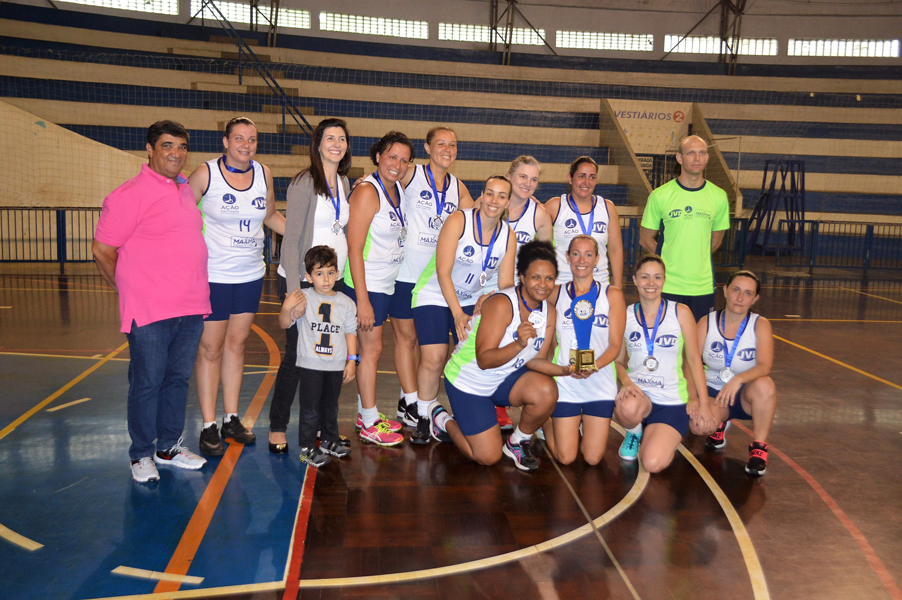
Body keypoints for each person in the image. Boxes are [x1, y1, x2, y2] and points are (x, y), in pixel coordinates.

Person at [92, 120, 210, 483]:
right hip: (150, 312)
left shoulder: (184, 191)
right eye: (167, 146)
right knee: (147, 382)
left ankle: (169, 447)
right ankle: (141, 453)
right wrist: (129, 289)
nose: (176, 153)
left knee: (176, 380)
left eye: (181, 147)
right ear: (149, 149)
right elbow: (102, 249)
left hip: (190, 307)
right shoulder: (128, 194)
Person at [188, 116, 285, 456]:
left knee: (237, 344)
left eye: (252, 139)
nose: (246, 145)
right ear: (226, 142)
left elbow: (271, 216)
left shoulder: (264, 174)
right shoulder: (205, 174)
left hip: (250, 275)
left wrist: (306, 237)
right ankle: (208, 425)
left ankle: (231, 418)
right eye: (239, 138)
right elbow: (179, 215)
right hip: (213, 275)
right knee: (210, 349)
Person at [441, 240, 568, 471]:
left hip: (502, 379)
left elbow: (535, 361)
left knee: (547, 390)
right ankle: (442, 419)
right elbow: (484, 360)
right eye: (535, 277)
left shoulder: (549, 312)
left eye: (549, 278)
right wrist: (519, 343)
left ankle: (517, 442)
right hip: (469, 381)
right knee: (487, 457)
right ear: (522, 277)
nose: (543, 284)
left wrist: (567, 371)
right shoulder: (501, 304)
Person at [409, 175, 516, 444]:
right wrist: (457, 313)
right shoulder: (459, 220)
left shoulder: (508, 235)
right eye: (490, 193)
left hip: (471, 299)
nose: (494, 200)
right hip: (434, 293)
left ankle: (472, 411)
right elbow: (443, 271)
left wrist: (489, 299)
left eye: (501, 196)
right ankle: (424, 415)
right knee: (434, 357)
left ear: (507, 202)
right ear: (482, 195)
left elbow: (505, 283)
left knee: (476, 357)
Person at [268, 118, 352, 454]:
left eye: (342, 138)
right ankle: (277, 425)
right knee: (297, 358)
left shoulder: (344, 181)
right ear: (318, 144)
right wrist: (294, 290)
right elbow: (290, 241)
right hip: (304, 282)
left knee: (326, 358)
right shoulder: (305, 182)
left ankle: (322, 429)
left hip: (335, 283)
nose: (336, 143)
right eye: (329, 138)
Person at [392, 126, 475, 428]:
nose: (447, 149)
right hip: (406, 272)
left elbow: (478, 216)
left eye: (452, 144)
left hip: (438, 280)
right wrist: (366, 181)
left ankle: (409, 398)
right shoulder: (410, 173)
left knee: (427, 344)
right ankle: (410, 398)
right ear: (427, 147)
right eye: (440, 143)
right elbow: (384, 179)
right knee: (407, 338)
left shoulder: (458, 187)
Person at [344, 131, 414, 447]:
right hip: (366, 285)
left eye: (403, 159)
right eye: (391, 157)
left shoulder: (397, 187)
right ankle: (370, 422)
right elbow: (354, 249)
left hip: (385, 284)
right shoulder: (367, 193)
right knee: (370, 351)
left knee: (374, 350)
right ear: (377, 157)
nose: (397, 164)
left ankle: (364, 412)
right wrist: (362, 300)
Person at [614, 256, 715, 473]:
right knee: (627, 406)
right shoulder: (626, 315)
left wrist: (703, 402)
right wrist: (626, 382)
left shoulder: (681, 312)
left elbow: (694, 359)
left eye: (657, 277)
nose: (651, 283)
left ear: (664, 280)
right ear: (634, 279)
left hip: (671, 400)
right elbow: (618, 362)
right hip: (639, 395)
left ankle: (660, 437)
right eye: (645, 277)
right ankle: (634, 432)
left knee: (652, 463)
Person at [542, 235, 626, 466]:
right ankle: (544, 421)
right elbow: (524, 295)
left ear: (597, 259)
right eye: (576, 253)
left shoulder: (612, 295)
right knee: (566, 458)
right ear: (567, 258)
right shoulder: (555, 293)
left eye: (588, 254)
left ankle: (572, 424)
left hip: (599, 383)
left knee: (592, 458)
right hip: (566, 382)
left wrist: (592, 367)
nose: (582, 260)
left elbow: (615, 345)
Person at [482, 155, 552, 430]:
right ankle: (473, 398)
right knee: (479, 349)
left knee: (509, 348)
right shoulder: (488, 203)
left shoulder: (540, 215)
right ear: (510, 176)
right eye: (523, 177)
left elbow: (544, 261)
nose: (528, 183)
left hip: (515, 294)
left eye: (534, 179)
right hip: (481, 288)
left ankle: (499, 405)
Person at [278, 246, 357, 467]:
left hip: (335, 364)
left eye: (330, 273)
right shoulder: (303, 298)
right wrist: (287, 308)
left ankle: (329, 440)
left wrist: (352, 360)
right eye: (319, 273)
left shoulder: (346, 302)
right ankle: (306, 447)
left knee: (331, 406)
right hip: (310, 364)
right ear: (308, 276)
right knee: (310, 408)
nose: (325, 279)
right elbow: (285, 323)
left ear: (338, 274)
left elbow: (351, 332)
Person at [639, 135, 731, 322]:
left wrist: (695, 258)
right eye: (691, 153)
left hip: (703, 287)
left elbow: (716, 240)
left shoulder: (719, 197)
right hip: (667, 285)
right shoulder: (660, 196)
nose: (697, 158)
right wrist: (669, 260)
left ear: (707, 158)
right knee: (666, 345)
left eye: (702, 153)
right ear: (680, 158)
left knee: (698, 345)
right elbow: (645, 238)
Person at [698, 270, 776, 476]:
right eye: (736, 290)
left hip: (742, 395)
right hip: (713, 392)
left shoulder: (760, 325)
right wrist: (695, 397)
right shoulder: (706, 323)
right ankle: (719, 423)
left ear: (755, 298)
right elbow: (691, 363)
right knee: (698, 425)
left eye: (748, 293)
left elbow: (764, 365)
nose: (740, 298)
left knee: (765, 385)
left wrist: (737, 380)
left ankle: (759, 447)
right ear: (725, 291)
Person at [545, 156, 623, 287]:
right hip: (563, 283)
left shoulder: (607, 207)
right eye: (581, 176)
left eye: (592, 177)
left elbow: (615, 250)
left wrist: (618, 286)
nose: (587, 182)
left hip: (599, 283)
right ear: (570, 178)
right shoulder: (555, 206)